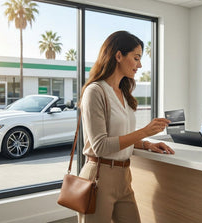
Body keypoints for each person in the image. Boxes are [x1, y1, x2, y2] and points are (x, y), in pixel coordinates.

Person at [77, 30, 175, 223]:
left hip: (124, 176)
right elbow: (100, 146)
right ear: (118, 55)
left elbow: (121, 136)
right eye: (136, 58)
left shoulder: (123, 92)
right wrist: (145, 131)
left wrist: (145, 143)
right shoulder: (95, 91)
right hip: (99, 176)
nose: (139, 65)